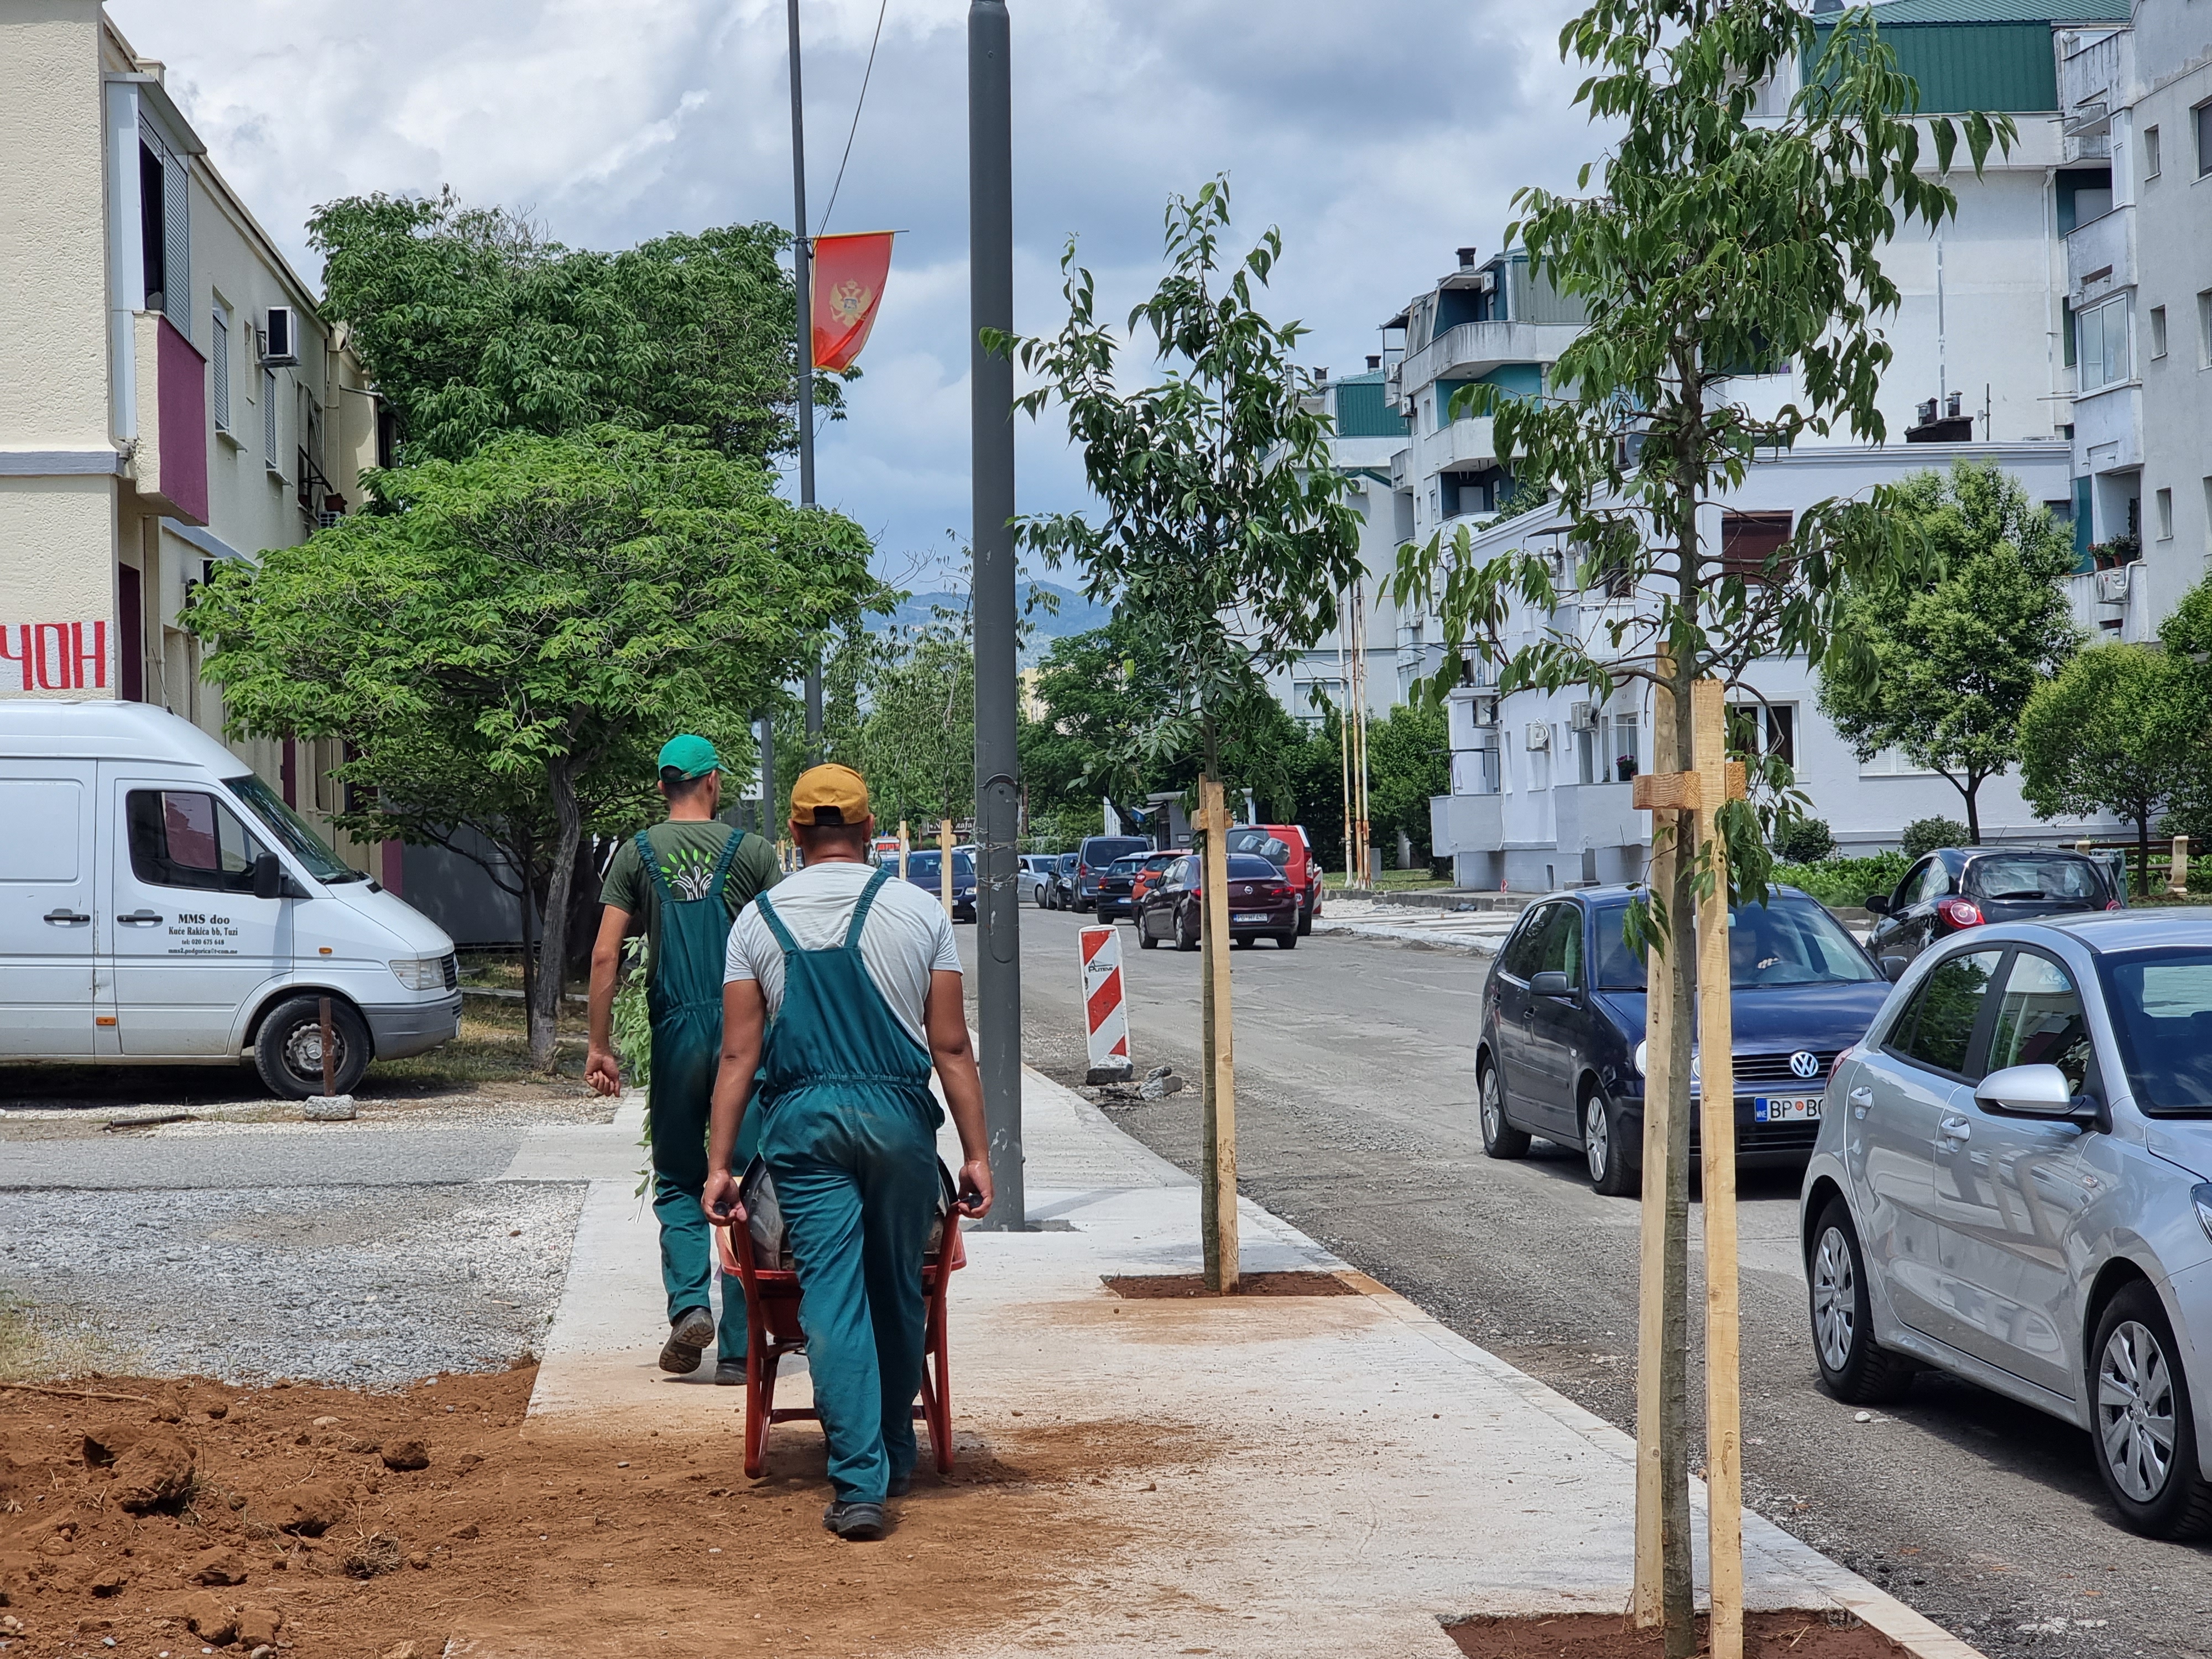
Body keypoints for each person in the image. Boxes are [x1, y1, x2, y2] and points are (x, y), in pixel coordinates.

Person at [702, 763, 993, 1542]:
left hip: (805, 1125)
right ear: (870, 831)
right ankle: (896, 1454)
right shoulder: (918, 913)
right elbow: (953, 1045)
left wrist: (720, 1165)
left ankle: (861, 1485)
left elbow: (738, 1057)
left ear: (794, 836)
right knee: (899, 1286)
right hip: (899, 1118)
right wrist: (977, 1154)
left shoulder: (756, 922)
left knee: (832, 1294)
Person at [586, 733, 781, 1381]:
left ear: (664, 787)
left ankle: (689, 1306)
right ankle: (740, 1347)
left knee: (677, 1174)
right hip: (743, 1032)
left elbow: (605, 955)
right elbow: (783, 948)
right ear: (713, 784)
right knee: (748, 1180)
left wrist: (599, 1045)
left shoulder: (636, 854)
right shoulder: (750, 852)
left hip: (675, 1030)